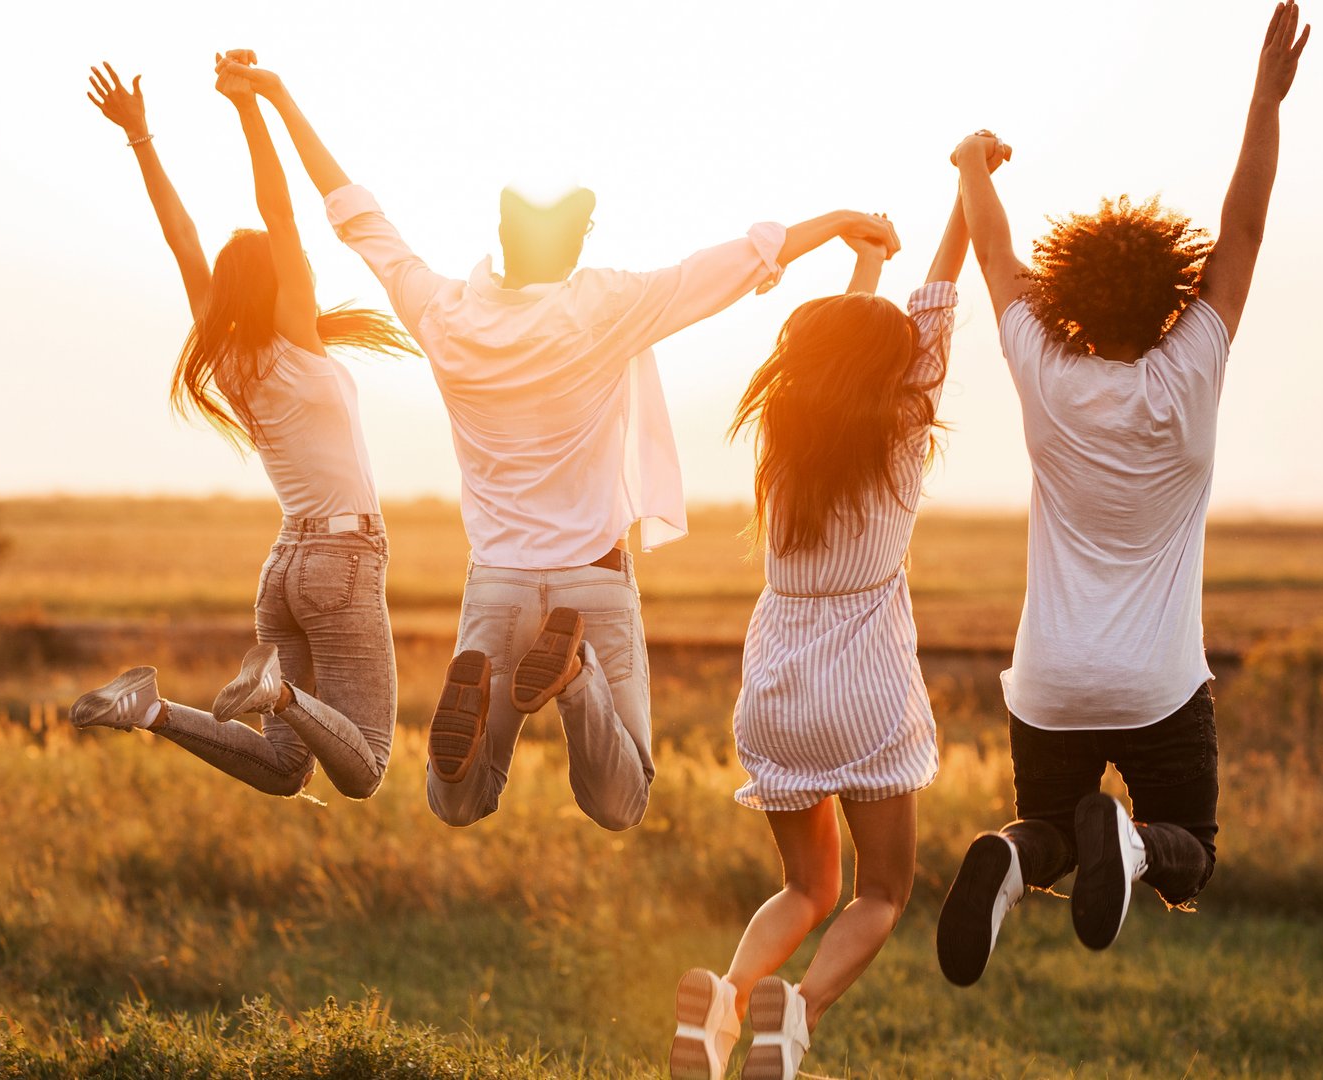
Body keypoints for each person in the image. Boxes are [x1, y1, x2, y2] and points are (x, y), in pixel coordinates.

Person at [213, 54, 905, 832]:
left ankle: (477, 731)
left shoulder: (443, 313)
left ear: (501, 237)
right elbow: (739, 259)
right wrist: (844, 224)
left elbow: (355, 214)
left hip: (498, 583)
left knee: (459, 803)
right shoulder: (608, 305)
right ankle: (575, 679)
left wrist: (273, 98)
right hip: (595, 582)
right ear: (576, 246)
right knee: (621, 801)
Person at [935, 2, 1311, 987]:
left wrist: (974, 168)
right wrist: (1264, 99)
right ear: (1170, 292)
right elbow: (1245, 224)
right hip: (1155, 686)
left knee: (1049, 833)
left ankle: (1009, 859)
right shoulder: (1191, 366)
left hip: (1051, 682)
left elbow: (993, 256)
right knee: (1191, 844)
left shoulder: (1045, 373)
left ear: (1070, 296)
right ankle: (1136, 848)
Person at [668, 171, 989, 1079]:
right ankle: (795, 1014)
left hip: (774, 686)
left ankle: (729, 1000)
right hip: (865, 690)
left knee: (805, 887)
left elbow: (834, 357)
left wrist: (862, 263)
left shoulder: (786, 434)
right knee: (881, 892)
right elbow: (936, 302)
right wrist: (967, 185)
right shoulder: (898, 434)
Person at [71, 57, 413, 804]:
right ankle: (277, 696)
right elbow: (281, 214)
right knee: (367, 770)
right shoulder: (295, 333)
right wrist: (249, 109)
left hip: (284, 571)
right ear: (280, 283)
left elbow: (182, 237)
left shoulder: (225, 353)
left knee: (287, 773)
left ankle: (150, 708)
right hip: (341, 560)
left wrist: (141, 139)